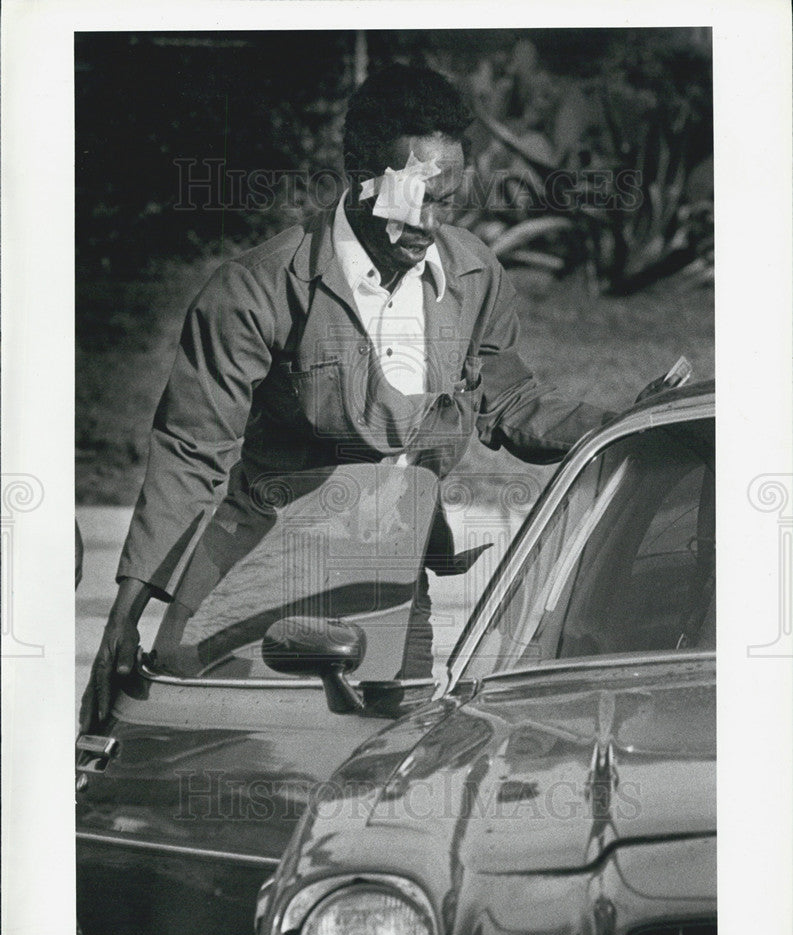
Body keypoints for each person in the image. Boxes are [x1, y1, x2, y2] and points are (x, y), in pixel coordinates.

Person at [80, 64, 639, 731]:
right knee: (230, 758)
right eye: (416, 198)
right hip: (265, 565)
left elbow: (510, 404)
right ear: (362, 177)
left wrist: (623, 425)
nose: (431, 223)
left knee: (388, 760)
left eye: (449, 201)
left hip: (395, 575)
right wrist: (125, 614)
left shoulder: (471, 274)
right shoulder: (258, 288)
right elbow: (191, 453)